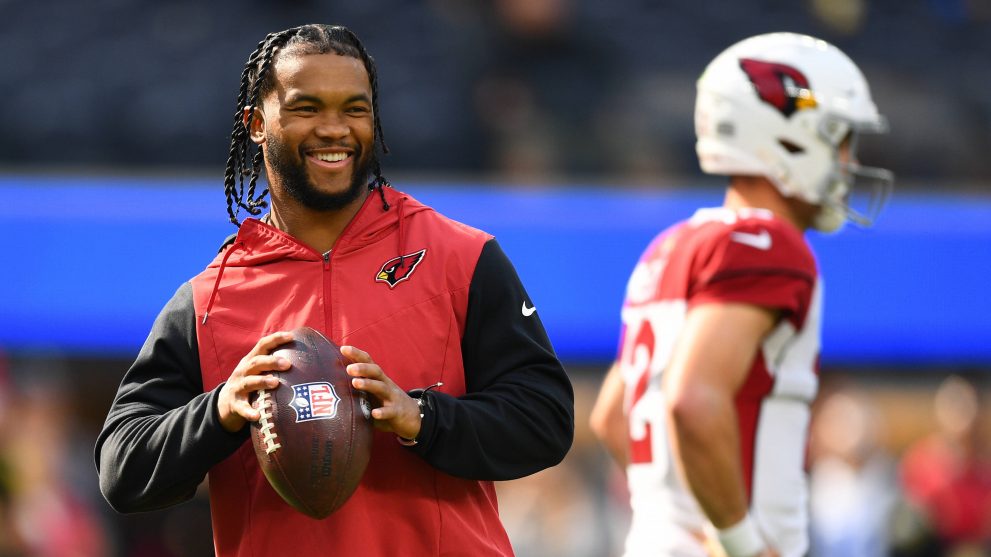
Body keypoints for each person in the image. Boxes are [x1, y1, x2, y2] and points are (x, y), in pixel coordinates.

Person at [95, 24, 574, 556]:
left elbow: (545, 420)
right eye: (306, 108)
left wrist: (423, 419)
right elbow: (121, 468)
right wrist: (220, 411)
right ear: (257, 124)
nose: (334, 129)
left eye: (355, 108)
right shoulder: (209, 300)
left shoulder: (461, 258)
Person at [589, 32, 893, 557]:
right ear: (788, 136)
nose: (847, 159)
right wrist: (740, 543)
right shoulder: (769, 244)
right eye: (839, 137)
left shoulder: (675, 244)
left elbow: (613, 417)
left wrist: (678, 517)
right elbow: (692, 399)